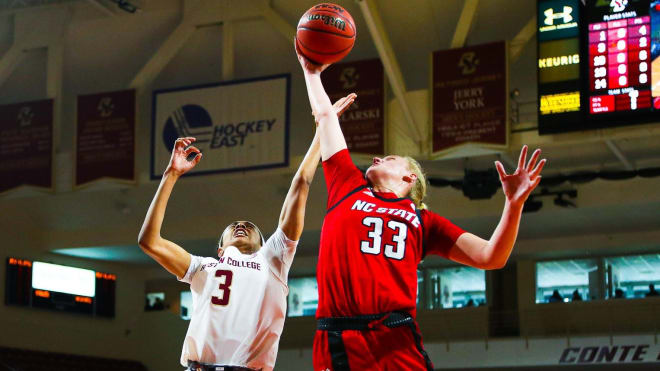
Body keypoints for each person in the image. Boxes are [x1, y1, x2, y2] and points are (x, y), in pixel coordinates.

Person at [296, 43, 546, 371]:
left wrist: (513, 205)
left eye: (388, 158)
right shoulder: (347, 185)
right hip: (338, 339)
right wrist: (310, 71)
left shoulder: (422, 219)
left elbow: (491, 257)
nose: (375, 158)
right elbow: (326, 118)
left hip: (395, 338)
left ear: (409, 176)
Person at [137, 95, 355, 371]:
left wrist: (323, 129)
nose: (241, 226)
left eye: (250, 226)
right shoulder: (204, 267)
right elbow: (149, 241)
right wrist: (170, 175)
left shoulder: (273, 259)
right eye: (234, 226)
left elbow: (301, 182)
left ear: (265, 243)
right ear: (220, 248)